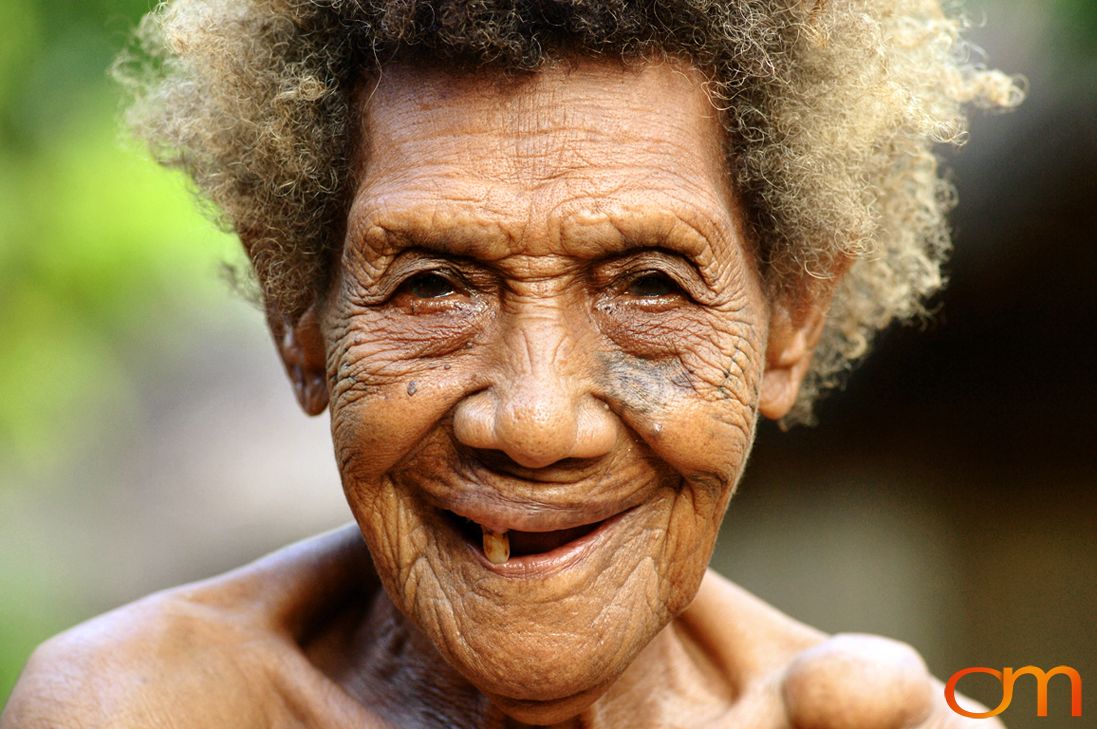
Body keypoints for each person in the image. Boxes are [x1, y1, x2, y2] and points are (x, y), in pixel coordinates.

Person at [1, 1, 1022, 727]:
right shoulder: (134, 711)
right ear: (298, 322)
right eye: (433, 285)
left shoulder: (860, 719)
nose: (533, 424)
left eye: (650, 286)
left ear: (789, 319)